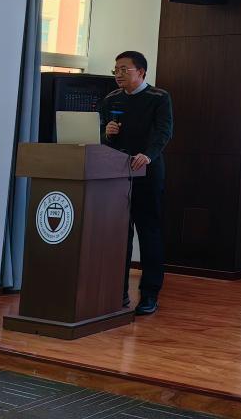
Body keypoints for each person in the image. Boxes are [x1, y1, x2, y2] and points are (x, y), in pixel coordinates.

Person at [96, 51, 173, 316]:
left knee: (149, 233)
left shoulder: (159, 97)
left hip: (147, 173)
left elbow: (164, 132)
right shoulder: (111, 99)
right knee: (119, 235)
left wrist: (148, 155)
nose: (118, 74)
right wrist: (107, 133)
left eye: (124, 69)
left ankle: (149, 294)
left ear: (141, 71)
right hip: (116, 175)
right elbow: (102, 137)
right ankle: (117, 292)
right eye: (115, 69)